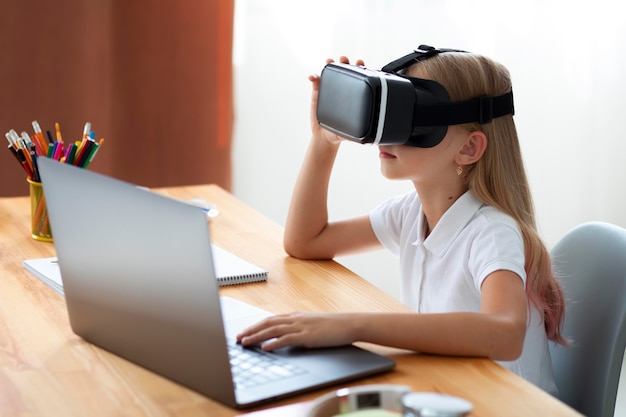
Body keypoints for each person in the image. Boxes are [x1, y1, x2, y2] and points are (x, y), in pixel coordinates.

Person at [237, 48, 567, 395]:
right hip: (450, 392)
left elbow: (505, 333)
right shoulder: (410, 212)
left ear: (469, 149)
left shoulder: (491, 231)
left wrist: (354, 325)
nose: (389, 134)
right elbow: (306, 242)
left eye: (413, 119)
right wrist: (324, 142)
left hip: (508, 405)